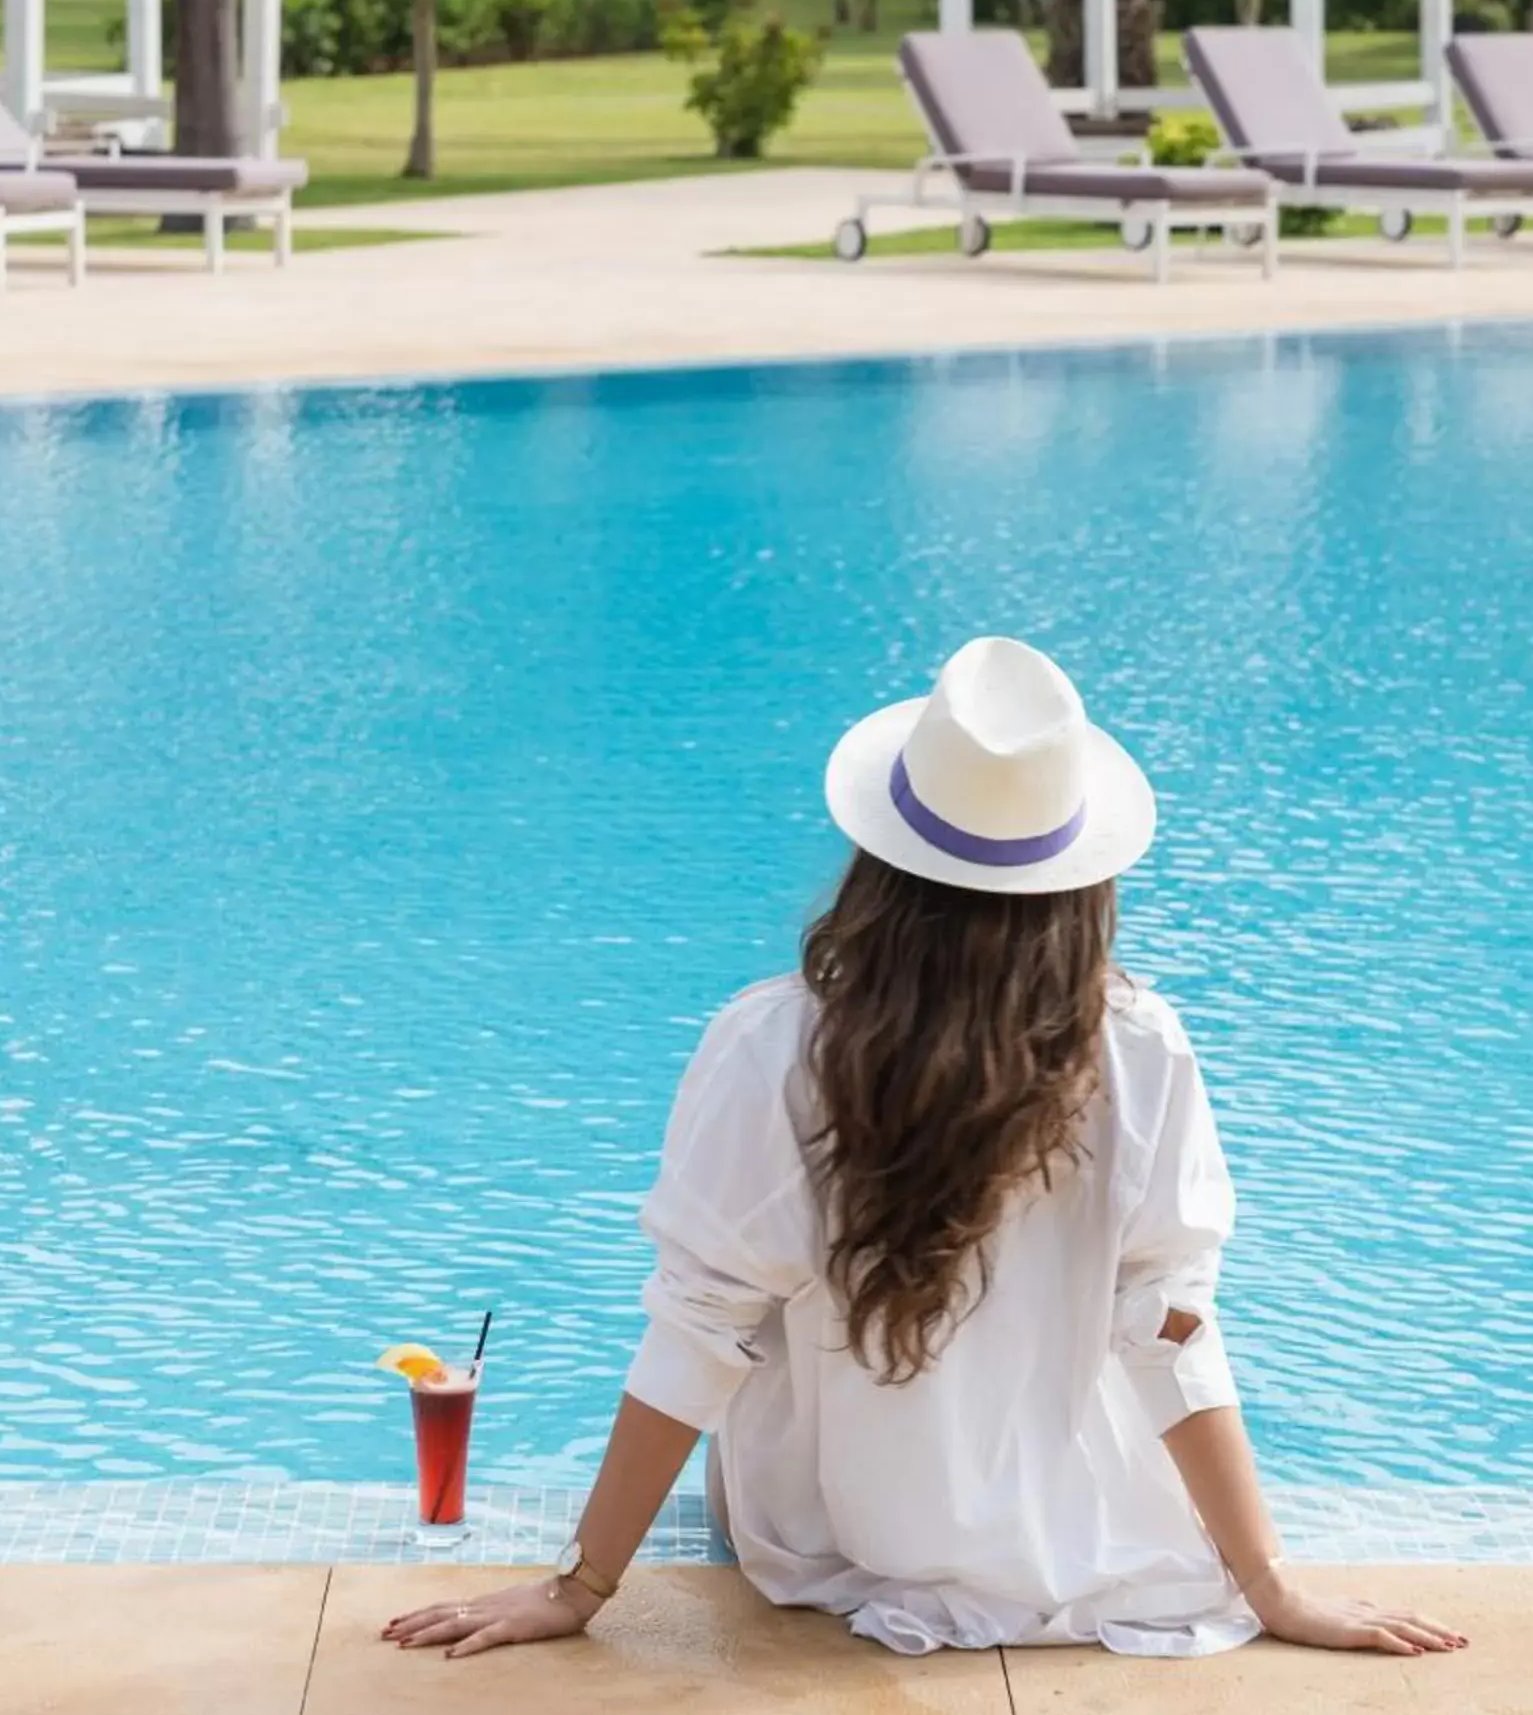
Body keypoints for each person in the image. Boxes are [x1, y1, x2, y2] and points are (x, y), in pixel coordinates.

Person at [385, 638, 1466, 1661]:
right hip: (1069, 1526)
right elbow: (1171, 1324)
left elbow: (698, 1331)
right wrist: (1268, 1579)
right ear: (1081, 880)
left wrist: (579, 1586)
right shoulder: (1138, 1046)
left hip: (834, 1527)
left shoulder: (774, 1047)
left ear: (878, 865)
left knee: (745, 1372)